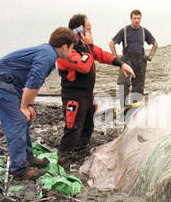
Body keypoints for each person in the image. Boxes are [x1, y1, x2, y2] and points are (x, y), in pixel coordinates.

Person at [0, 27, 77, 180]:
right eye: (71, 47)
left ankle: (27, 157)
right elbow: (32, 83)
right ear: (64, 46)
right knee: (17, 121)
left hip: (10, 83)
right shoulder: (47, 55)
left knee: (25, 119)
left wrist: (28, 106)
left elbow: (34, 83)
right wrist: (23, 107)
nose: (71, 51)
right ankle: (19, 169)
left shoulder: (48, 53)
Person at [57, 14, 135, 167]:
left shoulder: (84, 48)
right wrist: (88, 46)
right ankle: (64, 158)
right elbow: (84, 67)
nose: (91, 32)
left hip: (87, 95)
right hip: (73, 96)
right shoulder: (67, 51)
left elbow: (102, 55)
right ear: (79, 32)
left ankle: (81, 150)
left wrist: (122, 64)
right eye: (88, 29)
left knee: (88, 125)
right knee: (73, 127)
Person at [109, 9, 158, 108]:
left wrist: (150, 56)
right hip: (127, 59)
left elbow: (155, 44)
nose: (136, 20)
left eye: (138, 18)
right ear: (131, 19)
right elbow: (111, 43)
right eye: (134, 18)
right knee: (123, 82)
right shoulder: (124, 30)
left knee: (139, 85)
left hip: (141, 60)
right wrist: (116, 58)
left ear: (141, 19)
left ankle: (136, 106)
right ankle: (124, 105)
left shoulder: (144, 31)